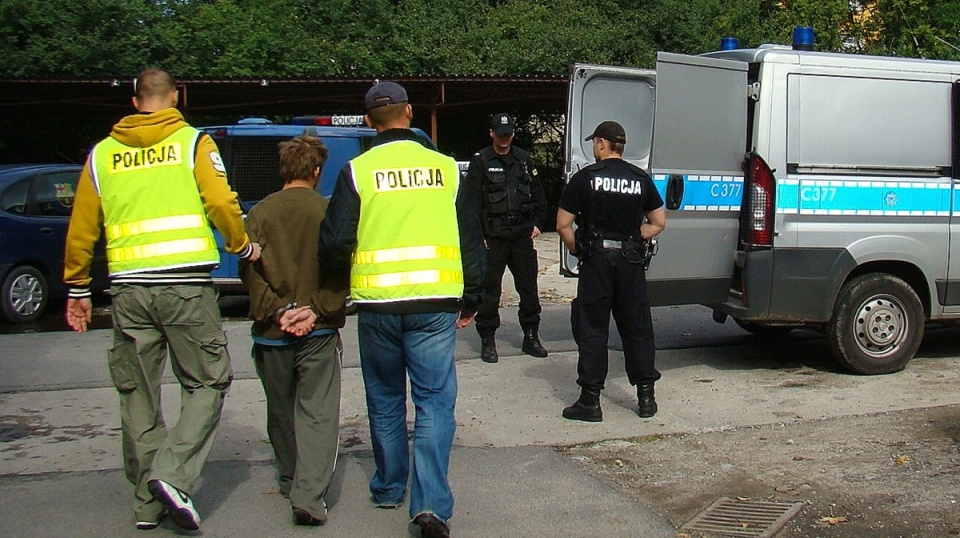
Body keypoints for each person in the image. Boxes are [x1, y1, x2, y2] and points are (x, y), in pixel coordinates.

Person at [63, 68, 261, 531]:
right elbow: (221, 203)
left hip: (129, 291)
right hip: (186, 287)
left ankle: (146, 504)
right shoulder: (193, 144)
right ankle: (172, 476)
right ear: (176, 98)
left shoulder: (102, 155)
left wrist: (76, 288)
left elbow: (82, 226)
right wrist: (243, 246)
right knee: (208, 382)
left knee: (137, 394)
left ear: (135, 102)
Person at [318, 81, 485, 538]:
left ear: (370, 120)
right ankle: (430, 504)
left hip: (377, 307)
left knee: (386, 397)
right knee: (433, 401)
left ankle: (390, 486)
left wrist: (331, 291)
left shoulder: (357, 170)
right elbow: (470, 238)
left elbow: (335, 241)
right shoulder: (447, 169)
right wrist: (472, 298)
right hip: (434, 304)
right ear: (410, 112)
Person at [238, 134, 348, 526]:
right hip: (318, 331)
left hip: (271, 330)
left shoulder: (259, 214)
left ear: (282, 169)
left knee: (281, 410)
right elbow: (340, 270)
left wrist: (280, 310)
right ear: (317, 171)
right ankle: (309, 493)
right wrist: (314, 311)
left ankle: (289, 477)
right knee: (317, 412)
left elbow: (249, 273)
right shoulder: (328, 210)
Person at [555, 120, 666, 422]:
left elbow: (562, 224)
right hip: (630, 262)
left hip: (597, 261)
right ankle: (646, 398)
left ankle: (590, 401)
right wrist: (637, 235)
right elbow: (658, 222)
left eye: (594, 143)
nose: (593, 148)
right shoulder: (639, 178)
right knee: (637, 327)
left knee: (592, 328)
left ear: (602, 143)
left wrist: (577, 247)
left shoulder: (585, 178)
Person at [465, 112, 549, 363]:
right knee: (490, 291)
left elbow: (539, 195)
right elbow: (471, 203)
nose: (504, 139)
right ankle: (488, 339)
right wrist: (478, 235)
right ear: (491, 133)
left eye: (508, 134)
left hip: (521, 236)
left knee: (529, 289)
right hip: (494, 237)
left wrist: (538, 223)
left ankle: (531, 336)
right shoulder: (481, 161)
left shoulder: (523, 159)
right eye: (500, 134)